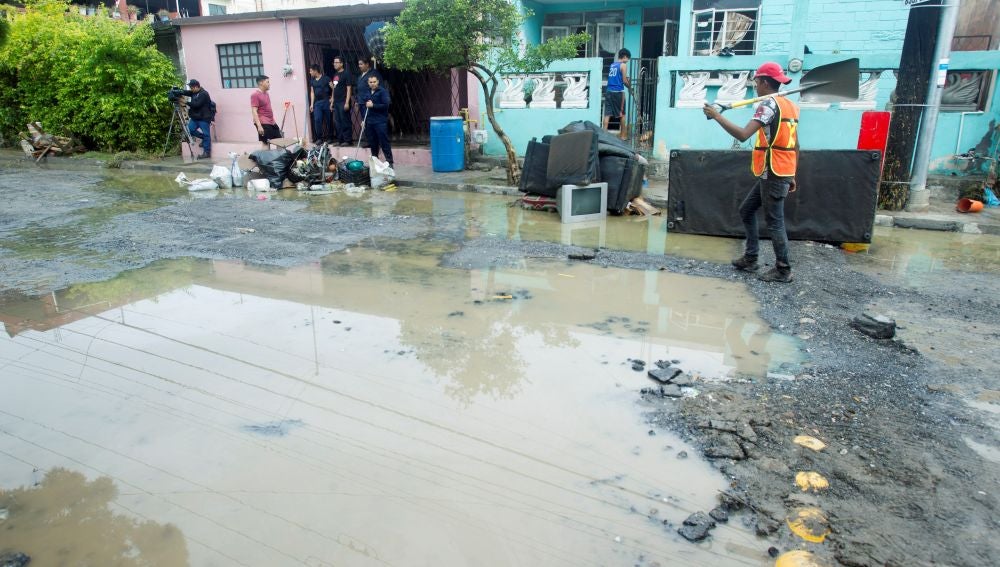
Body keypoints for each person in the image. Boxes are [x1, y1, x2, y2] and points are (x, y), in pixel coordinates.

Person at [702, 62, 800, 283]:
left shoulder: (768, 106)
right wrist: (792, 173)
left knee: (775, 222)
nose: (755, 87)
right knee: (747, 210)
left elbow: (744, 134)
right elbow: (795, 144)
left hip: (774, 172)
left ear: (765, 82)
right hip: (778, 170)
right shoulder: (789, 106)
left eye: (756, 82)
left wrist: (717, 116)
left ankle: (783, 270)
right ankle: (751, 258)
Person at [360, 74, 393, 167]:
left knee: (384, 141)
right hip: (369, 121)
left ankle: (390, 162)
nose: (372, 84)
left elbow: (386, 105)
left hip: (380, 121)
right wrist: (363, 120)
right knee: (372, 142)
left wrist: (373, 105)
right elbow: (364, 107)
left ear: (378, 82)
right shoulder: (367, 92)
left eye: (374, 82)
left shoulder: (382, 92)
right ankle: (375, 162)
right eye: (370, 82)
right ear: (368, 83)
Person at [181, 79, 213, 159]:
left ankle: (206, 152)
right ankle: (203, 138)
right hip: (195, 117)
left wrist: (185, 102)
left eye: (191, 88)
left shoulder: (204, 94)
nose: (191, 89)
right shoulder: (193, 92)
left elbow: (196, 104)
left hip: (204, 118)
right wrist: (178, 92)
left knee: (206, 134)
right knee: (190, 129)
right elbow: (186, 92)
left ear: (196, 87)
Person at [602, 48, 630, 140]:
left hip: (609, 91)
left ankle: (603, 136)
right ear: (625, 57)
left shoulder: (612, 65)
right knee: (622, 114)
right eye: (628, 58)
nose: (628, 61)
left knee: (607, 114)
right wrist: (630, 87)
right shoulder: (623, 65)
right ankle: (623, 136)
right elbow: (624, 80)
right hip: (618, 92)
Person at [251, 75, 281, 149]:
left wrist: (273, 120)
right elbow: (254, 111)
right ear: (261, 83)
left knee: (280, 141)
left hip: (271, 122)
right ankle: (265, 160)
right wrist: (259, 126)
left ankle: (279, 159)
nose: (269, 84)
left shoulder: (266, 94)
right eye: (267, 82)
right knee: (266, 143)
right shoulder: (255, 95)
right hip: (263, 123)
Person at [329, 56, 354, 146]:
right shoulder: (335, 75)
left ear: (341, 63)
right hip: (336, 102)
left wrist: (347, 102)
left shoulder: (346, 73)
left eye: (336, 62)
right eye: (334, 62)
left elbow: (349, 88)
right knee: (337, 122)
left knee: (345, 121)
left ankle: (348, 140)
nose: (335, 64)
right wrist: (332, 102)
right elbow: (334, 89)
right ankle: (340, 140)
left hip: (343, 101)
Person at [308, 64, 332, 144]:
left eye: (311, 71)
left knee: (329, 120)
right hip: (317, 103)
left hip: (326, 101)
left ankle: (330, 137)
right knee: (317, 119)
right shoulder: (312, 81)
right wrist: (311, 104)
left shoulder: (326, 78)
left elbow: (333, 88)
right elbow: (312, 92)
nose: (310, 72)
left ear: (315, 71)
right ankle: (319, 138)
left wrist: (332, 99)